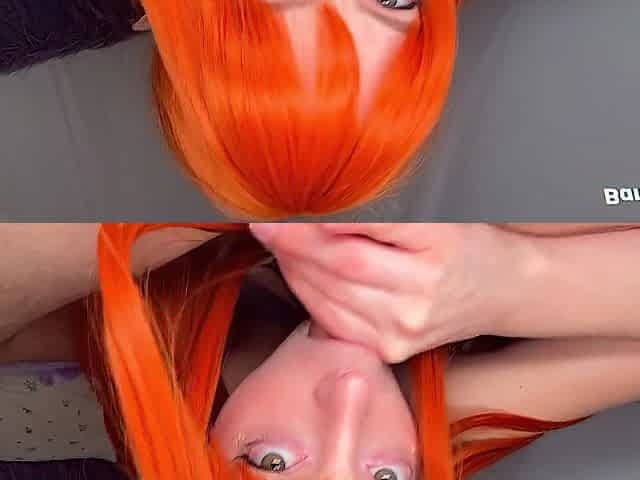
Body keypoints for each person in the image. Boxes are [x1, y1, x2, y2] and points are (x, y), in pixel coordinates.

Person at [1, 222, 640, 480]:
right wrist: (515, 280)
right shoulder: (433, 427)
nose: (350, 398)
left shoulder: (118, 312)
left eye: (273, 462)